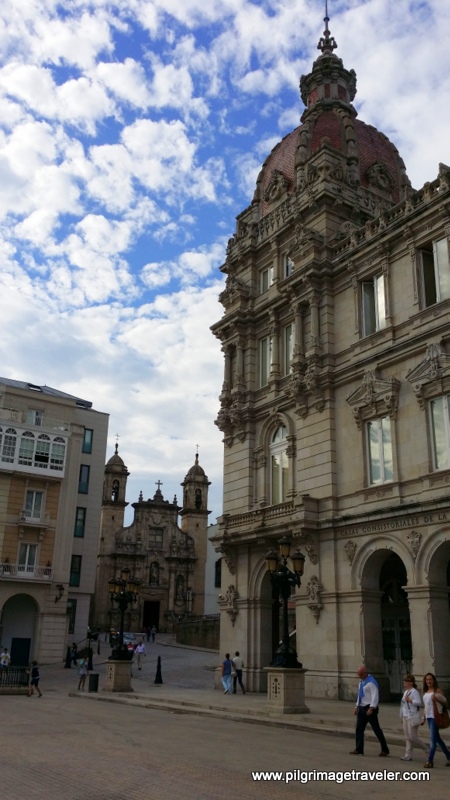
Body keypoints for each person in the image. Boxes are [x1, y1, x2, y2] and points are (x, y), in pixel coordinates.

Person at [350, 665, 389, 757]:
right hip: (361, 708)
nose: (359, 676)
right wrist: (356, 707)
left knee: (376, 729)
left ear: (365, 673)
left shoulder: (371, 682)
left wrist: (371, 708)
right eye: (358, 674)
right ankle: (359, 749)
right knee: (359, 729)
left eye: (361, 674)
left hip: (369, 708)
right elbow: (360, 695)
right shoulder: (361, 682)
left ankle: (385, 749)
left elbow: (375, 696)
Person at [422, 672, 450, 768]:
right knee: (437, 739)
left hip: (435, 717)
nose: (429, 681)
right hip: (429, 717)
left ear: (433, 681)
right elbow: (426, 707)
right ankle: (449, 757)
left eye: (430, 679)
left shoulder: (437, 691)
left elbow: (445, 701)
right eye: (427, 680)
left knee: (432, 740)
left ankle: (430, 761)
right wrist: (423, 718)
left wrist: (437, 698)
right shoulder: (426, 692)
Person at [399, 673, 427, 760]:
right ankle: (408, 755)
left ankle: (427, 750)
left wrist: (410, 700)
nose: (405, 682)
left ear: (411, 682)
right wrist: (402, 715)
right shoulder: (406, 692)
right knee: (407, 736)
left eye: (407, 681)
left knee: (413, 737)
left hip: (412, 716)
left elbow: (419, 702)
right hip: (405, 716)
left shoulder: (414, 692)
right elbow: (403, 704)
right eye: (405, 681)